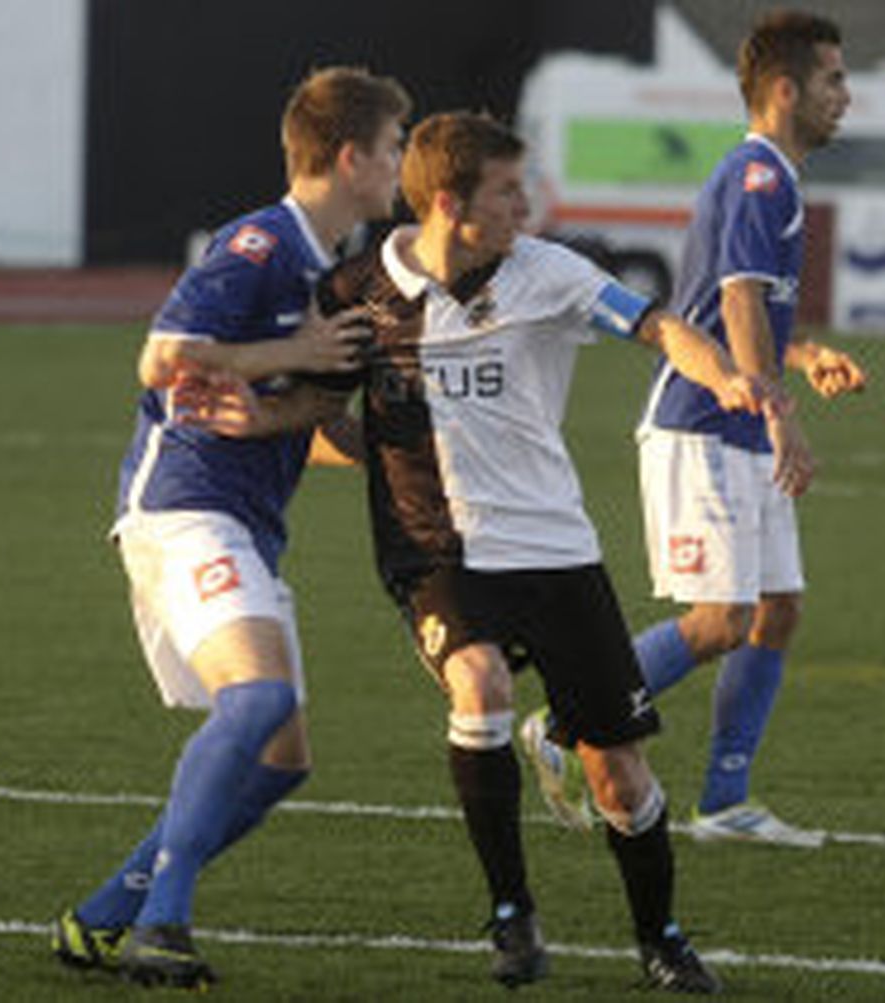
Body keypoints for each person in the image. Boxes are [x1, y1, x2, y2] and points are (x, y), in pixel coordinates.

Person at [193, 111, 780, 994]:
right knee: (481, 683)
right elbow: (320, 418)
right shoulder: (360, 291)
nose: (527, 204)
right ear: (447, 203)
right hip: (436, 552)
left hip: (555, 549)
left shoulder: (550, 272)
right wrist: (264, 417)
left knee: (618, 775)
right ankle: (512, 912)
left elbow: (658, 327)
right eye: (508, 191)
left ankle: (660, 938)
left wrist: (727, 376)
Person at [47, 65, 411, 989]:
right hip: (184, 508)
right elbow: (161, 357)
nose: (403, 162)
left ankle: (103, 915)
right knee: (256, 704)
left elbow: (310, 425)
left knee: (282, 757)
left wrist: (404, 456)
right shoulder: (259, 244)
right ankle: (163, 927)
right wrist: (292, 352)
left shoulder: (331, 271)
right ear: (348, 156)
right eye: (395, 146)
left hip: (245, 523)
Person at [523, 9, 868, 848]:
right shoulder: (759, 177)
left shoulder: (775, 176)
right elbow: (739, 302)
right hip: (701, 427)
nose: (846, 98)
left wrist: (805, 352)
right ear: (784, 90)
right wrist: (780, 417)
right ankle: (561, 722)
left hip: (739, 421)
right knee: (720, 618)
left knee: (776, 609)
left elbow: (734, 308)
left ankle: (725, 801)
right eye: (833, 80)